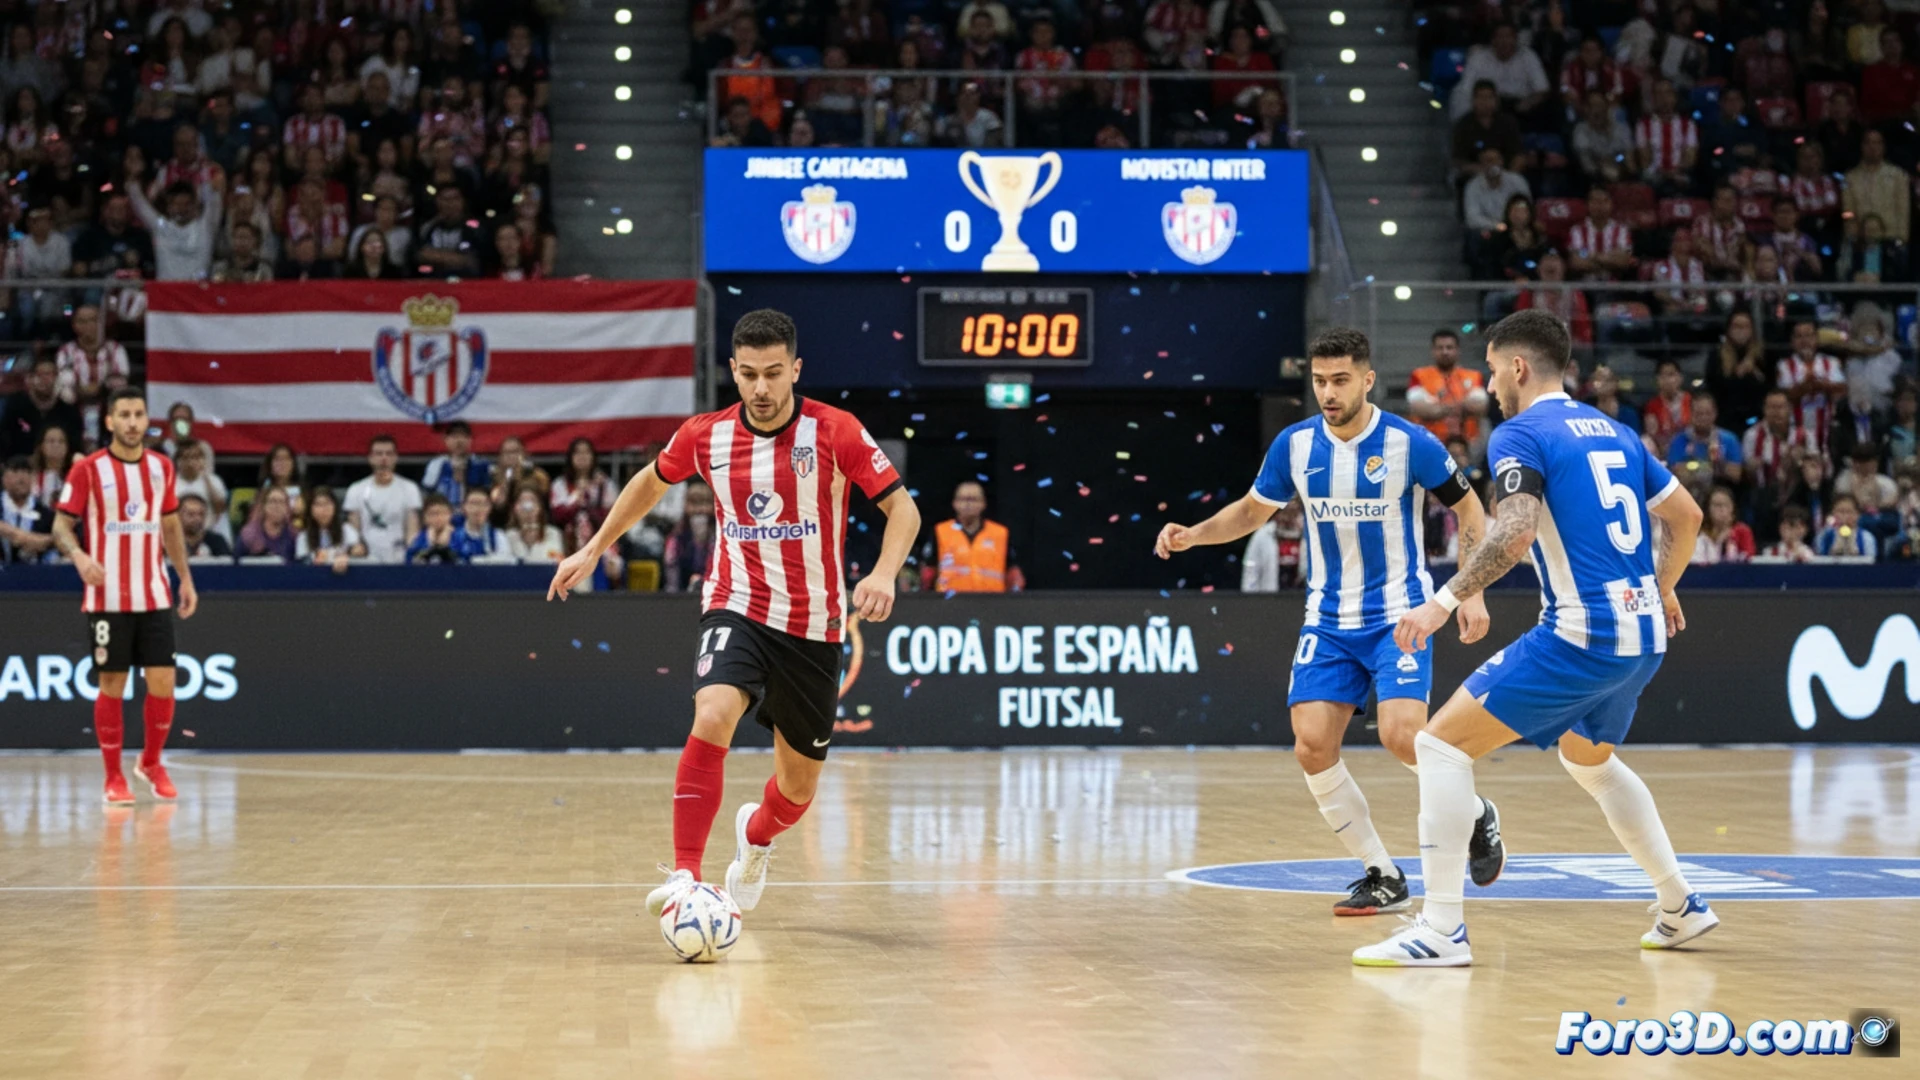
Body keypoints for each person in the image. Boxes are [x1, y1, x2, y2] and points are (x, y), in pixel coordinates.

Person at [1355, 310, 1712, 967]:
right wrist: (1662, 587)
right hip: (1642, 634)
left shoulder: (1520, 434)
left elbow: (1514, 531)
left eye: (1492, 371)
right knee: (1589, 760)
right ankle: (1679, 905)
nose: (1489, 385)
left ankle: (1440, 931)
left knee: (1437, 745)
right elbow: (1687, 516)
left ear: (1518, 367)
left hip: (1585, 634)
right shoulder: (1617, 431)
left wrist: (1441, 603)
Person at [549, 308, 922, 920]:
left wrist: (882, 574)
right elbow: (651, 480)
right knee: (714, 709)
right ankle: (687, 879)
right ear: (733, 370)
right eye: (748, 375)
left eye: (774, 374)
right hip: (736, 603)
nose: (762, 389)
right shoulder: (706, 434)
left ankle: (756, 837)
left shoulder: (837, 432)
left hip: (813, 627)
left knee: (797, 793)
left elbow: (902, 511)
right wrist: (595, 547)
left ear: (795, 370)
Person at [1156, 328, 1503, 917]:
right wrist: (1194, 535)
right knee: (1312, 747)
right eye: (1319, 381)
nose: (1328, 392)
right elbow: (1249, 511)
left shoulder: (1409, 443)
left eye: (1340, 380)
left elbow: (1470, 508)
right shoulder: (1294, 446)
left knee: (1401, 736)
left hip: (1401, 615)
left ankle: (1477, 814)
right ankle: (1382, 872)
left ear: (1368, 380)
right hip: (1329, 619)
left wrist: (1470, 591)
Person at [51, 385, 200, 806]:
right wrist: (79, 556)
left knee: (164, 682)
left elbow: (170, 527)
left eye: (139, 414)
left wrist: (184, 579)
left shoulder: (161, 467)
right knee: (112, 684)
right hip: (106, 599)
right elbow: (61, 526)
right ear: (111, 422)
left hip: (153, 593)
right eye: (125, 415)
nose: (133, 422)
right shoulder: (88, 470)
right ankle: (113, 776)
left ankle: (151, 762)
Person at [125, 156, 224, 280]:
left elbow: (214, 201)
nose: (181, 209)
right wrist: (133, 177)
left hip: (198, 295)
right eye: (176, 204)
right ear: (168, 207)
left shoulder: (205, 227)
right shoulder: (161, 226)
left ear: (194, 205)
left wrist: (215, 185)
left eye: (186, 204)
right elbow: (138, 202)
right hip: (167, 295)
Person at [920, 480, 1023, 592]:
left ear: (983, 503)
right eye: (963, 499)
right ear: (954, 503)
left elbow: (1014, 575)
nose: (968, 504)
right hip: (950, 603)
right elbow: (928, 573)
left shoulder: (1000, 533)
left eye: (974, 499)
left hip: (991, 603)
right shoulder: (940, 531)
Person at [344, 433, 423, 563]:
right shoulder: (355, 489)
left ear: (396, 457)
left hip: (398, 558)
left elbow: (412, 531)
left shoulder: (410, 489)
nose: (384, 458)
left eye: (388, 453)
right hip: (366, 559)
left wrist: (412, 555)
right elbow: (354, 533)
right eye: (379, 454)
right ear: (370, 458)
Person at [1778, 320, 1849, 457]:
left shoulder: (1831, 362)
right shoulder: (1784, 365)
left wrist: (1819, 385)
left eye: (1809, 336)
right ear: (1792, 341)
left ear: (1816, 339)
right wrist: (1807, 385)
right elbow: (1785, 396)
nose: (1804, 341)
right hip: (1796, 426)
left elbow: (1841, 390)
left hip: (1827, 426)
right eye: (1799, 336)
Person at [1407, 329, 1490, 445]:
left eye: (1449, 347)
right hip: (1430, 443)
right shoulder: (1419, 375)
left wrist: (1438, 407)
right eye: (1440, 348)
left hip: (1469, 443)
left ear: (1458, 350)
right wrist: (1459, 407)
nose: (1445, 352)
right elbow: (1419, 408)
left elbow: (1480, 405)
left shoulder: (1474, 376)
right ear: (1433, 351)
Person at [2, 355, 82, 460]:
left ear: (57, 378)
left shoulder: (68, 411)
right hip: (20, 465)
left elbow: (74, 445)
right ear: (30, 378)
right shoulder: (15, 405)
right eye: (40, 375)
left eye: (49, 375)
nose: (45, 380)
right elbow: (5, 438)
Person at [1665, 390, 1745, 489]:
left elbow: (1736, 474)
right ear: (1691, 414)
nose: (1703, 417)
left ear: (1715, 414)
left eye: (1707, 413)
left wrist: (1717, 462)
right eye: (1699, 414)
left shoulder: (1729, 439)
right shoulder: (1679, 440)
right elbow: (1677, 473)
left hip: (1719, 492)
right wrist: (1711, 466)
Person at [1742, 390, 1819, 492]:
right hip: (1763, 492)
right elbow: (1745, 472)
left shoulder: (1804, 435)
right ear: (1764, 409)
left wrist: (1804, 460)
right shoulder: (1752, 435)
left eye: (1780, 407)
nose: (1776, 412)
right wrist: (1752, 467)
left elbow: (1817, 465)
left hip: (1798, 492)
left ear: (1790, 409)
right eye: (1771, 407)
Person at [548, 437, 618, 533]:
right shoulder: (560, 484)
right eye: (577, 452)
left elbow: (614, 515)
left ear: (593, 456)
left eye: (586, 452)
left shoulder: (605, 484)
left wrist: (598, 493)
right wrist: (576, 500)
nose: (582, 456)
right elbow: (557, 516)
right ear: (570, 457)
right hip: (567, 537)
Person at [170, 438, 230, 543]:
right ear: (177, 461)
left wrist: (205, 477)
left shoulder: (214, 481)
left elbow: (220, 508)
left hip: (208, 534)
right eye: (185, 458)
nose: (190, 462)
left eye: (195, 457)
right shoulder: (169, 483)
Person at [0, 454, 55, 563]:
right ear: (4, 478)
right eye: (15, 471)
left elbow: (58, 538)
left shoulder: (46, 514)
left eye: (27, 472)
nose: (22, 477)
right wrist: (17, 536)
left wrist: (44, 541)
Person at [421, 420, 492, 504]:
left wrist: (465, 480)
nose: (459, 441)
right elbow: (426, 493)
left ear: (470, 440)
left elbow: (487, 495)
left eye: (463, 436)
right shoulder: (436, 464)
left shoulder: (481, 465)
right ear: (446, 440)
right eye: (454, 436)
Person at [297, 485, 365, 570]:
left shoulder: (347, 530)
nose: (323, 509)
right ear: (310, 509)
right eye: (318, 505)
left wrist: (350, 554)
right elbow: (303, 564)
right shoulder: (303, 536)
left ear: (335, 506)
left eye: (327, 503)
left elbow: (358, 550)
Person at [1692, 485, 1754, 564]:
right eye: (1717, 505)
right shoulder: (1699, 532)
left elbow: (1748, 559)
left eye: (1726, 505)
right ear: (1708, 509)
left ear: (1733, 508)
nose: (1722, 509)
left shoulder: (1742, 531)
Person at [238, 484, 297, 561]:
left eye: (281, 502)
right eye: (273, 501)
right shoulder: (248, 535)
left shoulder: (294, 535)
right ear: (264, 506)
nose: (277, 506)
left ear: (287, 508)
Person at [452, 486, 510, 562]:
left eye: (482, 504)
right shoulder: (453, 536)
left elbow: (505, 564)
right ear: (464, 507)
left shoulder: (498, 536)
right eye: (473, 503)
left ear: (489, 508)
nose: (477, 509)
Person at [407, 492, 464, 564]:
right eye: (433, 513)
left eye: (443, 513)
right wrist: (430, 545)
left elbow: (464, 561)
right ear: (425, 518)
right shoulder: (418, 539)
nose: (439, 518)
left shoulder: (460, 536)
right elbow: (410, 562)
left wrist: (445, 547)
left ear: (450, 515)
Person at [1816, 493, 1877, 558]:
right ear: (1833, 513)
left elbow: (1870, 562)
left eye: (1849, 512)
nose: (1845, 516)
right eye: (1841, 511)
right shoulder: (1823, 536)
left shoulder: (1867, 538)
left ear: (1857, 515)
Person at [174, 492, 231, 559]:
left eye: (201, 514)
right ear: (177, 516)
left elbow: (227, 566)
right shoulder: (167, 542)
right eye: (191, 514)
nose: (197, 519)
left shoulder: (217, 541)